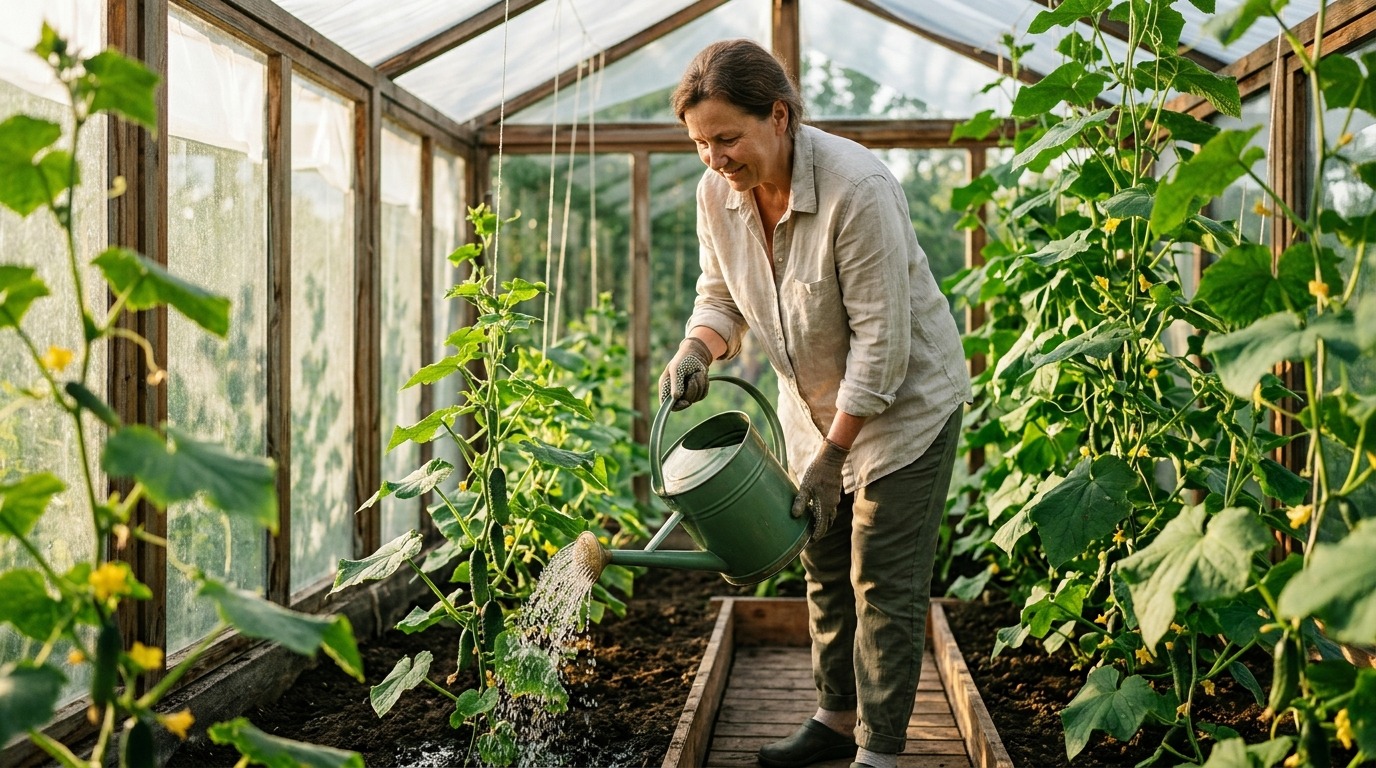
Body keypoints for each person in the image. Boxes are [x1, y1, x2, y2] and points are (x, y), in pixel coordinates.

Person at [657, 39, 971, 768]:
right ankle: (834, 719)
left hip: (902, 410)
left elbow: (883, 345)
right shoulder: (718, 193)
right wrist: (699, 348)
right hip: (811, 405)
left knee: (883, 581)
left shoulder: (857, 188)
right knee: (822, 563)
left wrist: (836, 454)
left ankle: (882, 752)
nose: (716, 160)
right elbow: (722, 296)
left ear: (780, 116)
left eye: (728, 139)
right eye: (701, 144)